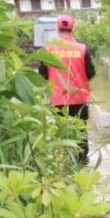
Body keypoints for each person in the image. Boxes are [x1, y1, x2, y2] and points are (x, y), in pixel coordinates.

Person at [39, 14, 94, 164]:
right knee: (81, 129)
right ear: (73, 28)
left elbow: (42, 73)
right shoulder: (82, 49)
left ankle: (65, 160)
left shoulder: (49, 49)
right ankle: (81, 159)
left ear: (58, 29)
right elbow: (91, 72)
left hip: (57, 99)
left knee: (61, 129)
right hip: (79, 97)